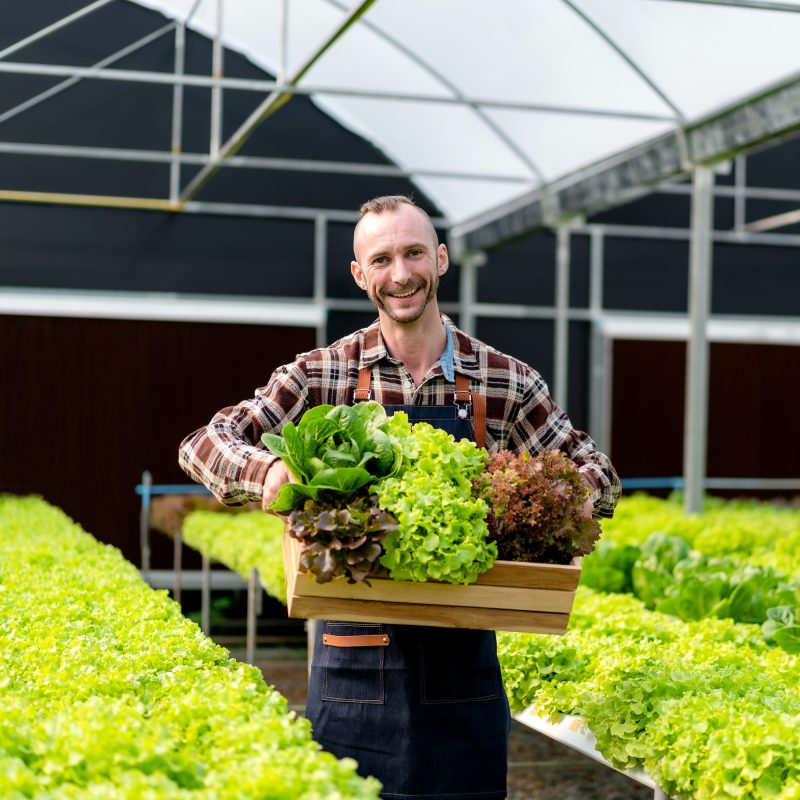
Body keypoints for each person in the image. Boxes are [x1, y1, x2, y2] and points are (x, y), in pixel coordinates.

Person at [179, 194, 621, 799]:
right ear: (361, 275)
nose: (401, 274)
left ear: (440, 259)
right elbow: (204, 443)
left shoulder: (504, 380)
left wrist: (558, 503)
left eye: (414, 253)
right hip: (352, 663)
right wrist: (269, 473)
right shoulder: (323, 374)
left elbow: (598, 471)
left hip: (463, 658)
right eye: (381, 260)